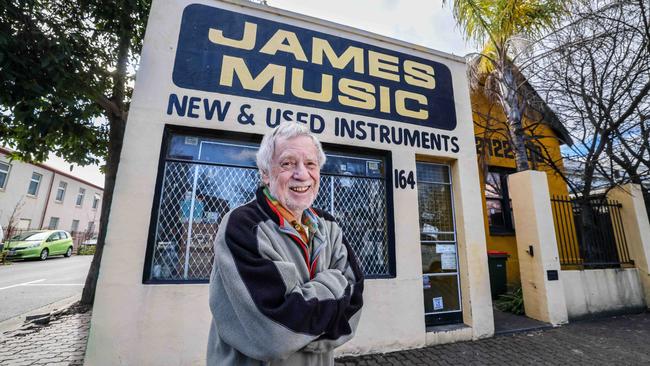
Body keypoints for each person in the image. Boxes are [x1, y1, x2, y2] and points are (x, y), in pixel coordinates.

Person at [207, 122, 364, 366]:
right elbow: (274, 335)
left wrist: (300, 322)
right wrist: (332, 288)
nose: (302, 174)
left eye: (310, 164)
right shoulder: (243, 226)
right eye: (288, 163)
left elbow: (354, 304)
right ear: (266, 173)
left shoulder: (330, 226)